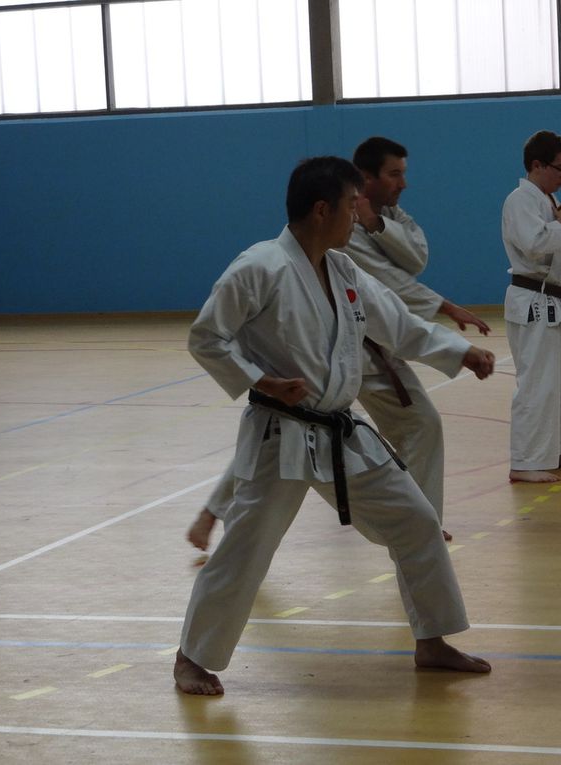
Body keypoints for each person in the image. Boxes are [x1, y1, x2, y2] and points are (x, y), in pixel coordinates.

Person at [175, 156, 495, 696]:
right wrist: (259, 380)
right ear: (322, 209)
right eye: (351, 206)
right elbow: (206, 337)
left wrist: (459, 351)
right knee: (248, 547)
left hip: (340, 432)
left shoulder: (343, 269)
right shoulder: (260, 267)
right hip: (282, 437)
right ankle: (192, 657)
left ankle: (432, 639)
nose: (356, 217)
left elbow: (398, 324)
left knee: (416, 519)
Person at [187, 137, 490, 549]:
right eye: (394, 173)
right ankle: (417, 525)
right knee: (281, 434)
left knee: (296, 429)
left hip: (357, 350)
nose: (403, 182)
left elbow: (409, 273)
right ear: (363, 181)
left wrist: (457, 346)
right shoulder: (300, 251)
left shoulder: (379, 225)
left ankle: (418, 525)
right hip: (343, 351)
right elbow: (396, 288)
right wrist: (448, 312)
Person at [502, 130, 561, 483]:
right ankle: (525, 462)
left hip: (558, 303)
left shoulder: (550, 200)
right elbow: (533, 245)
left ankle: (555, 450)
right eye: (559, 168)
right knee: (537, 384)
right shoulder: (519, 200)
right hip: (533, 302)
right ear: (537, 165)